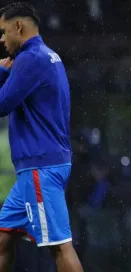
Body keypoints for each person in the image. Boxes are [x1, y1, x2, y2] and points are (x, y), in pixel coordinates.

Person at [0, 2, 83, 272]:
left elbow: (2, 105)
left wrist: (2, 71)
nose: (2, 39)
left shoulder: (30, 58)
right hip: (37, 167)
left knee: (59, 246)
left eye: (3, 32)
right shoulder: (48, 56)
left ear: (18, 27)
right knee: (3, 238)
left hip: (40, 168)